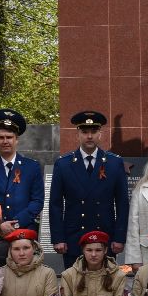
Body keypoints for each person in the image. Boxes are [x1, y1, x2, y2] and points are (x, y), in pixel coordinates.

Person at [49, 111, 130, 268]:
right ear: (77, 134)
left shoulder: (114, 163)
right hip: (74, 238)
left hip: (105, 237)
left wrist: (119, 237)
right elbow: (56, 204)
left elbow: (122, 203)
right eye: (85, 132)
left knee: (106, 287)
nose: (89, 136)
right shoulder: (63, 164)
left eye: (93, 131)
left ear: (100, 134)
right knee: (75, 286)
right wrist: (58, 238)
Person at [0, 110, 45, 266]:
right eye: (1, 137)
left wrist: (15, 224)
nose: (5, 141)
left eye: (9, 137)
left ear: (17, 139)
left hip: (24, 234)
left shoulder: (31, 167)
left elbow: (37, 201)